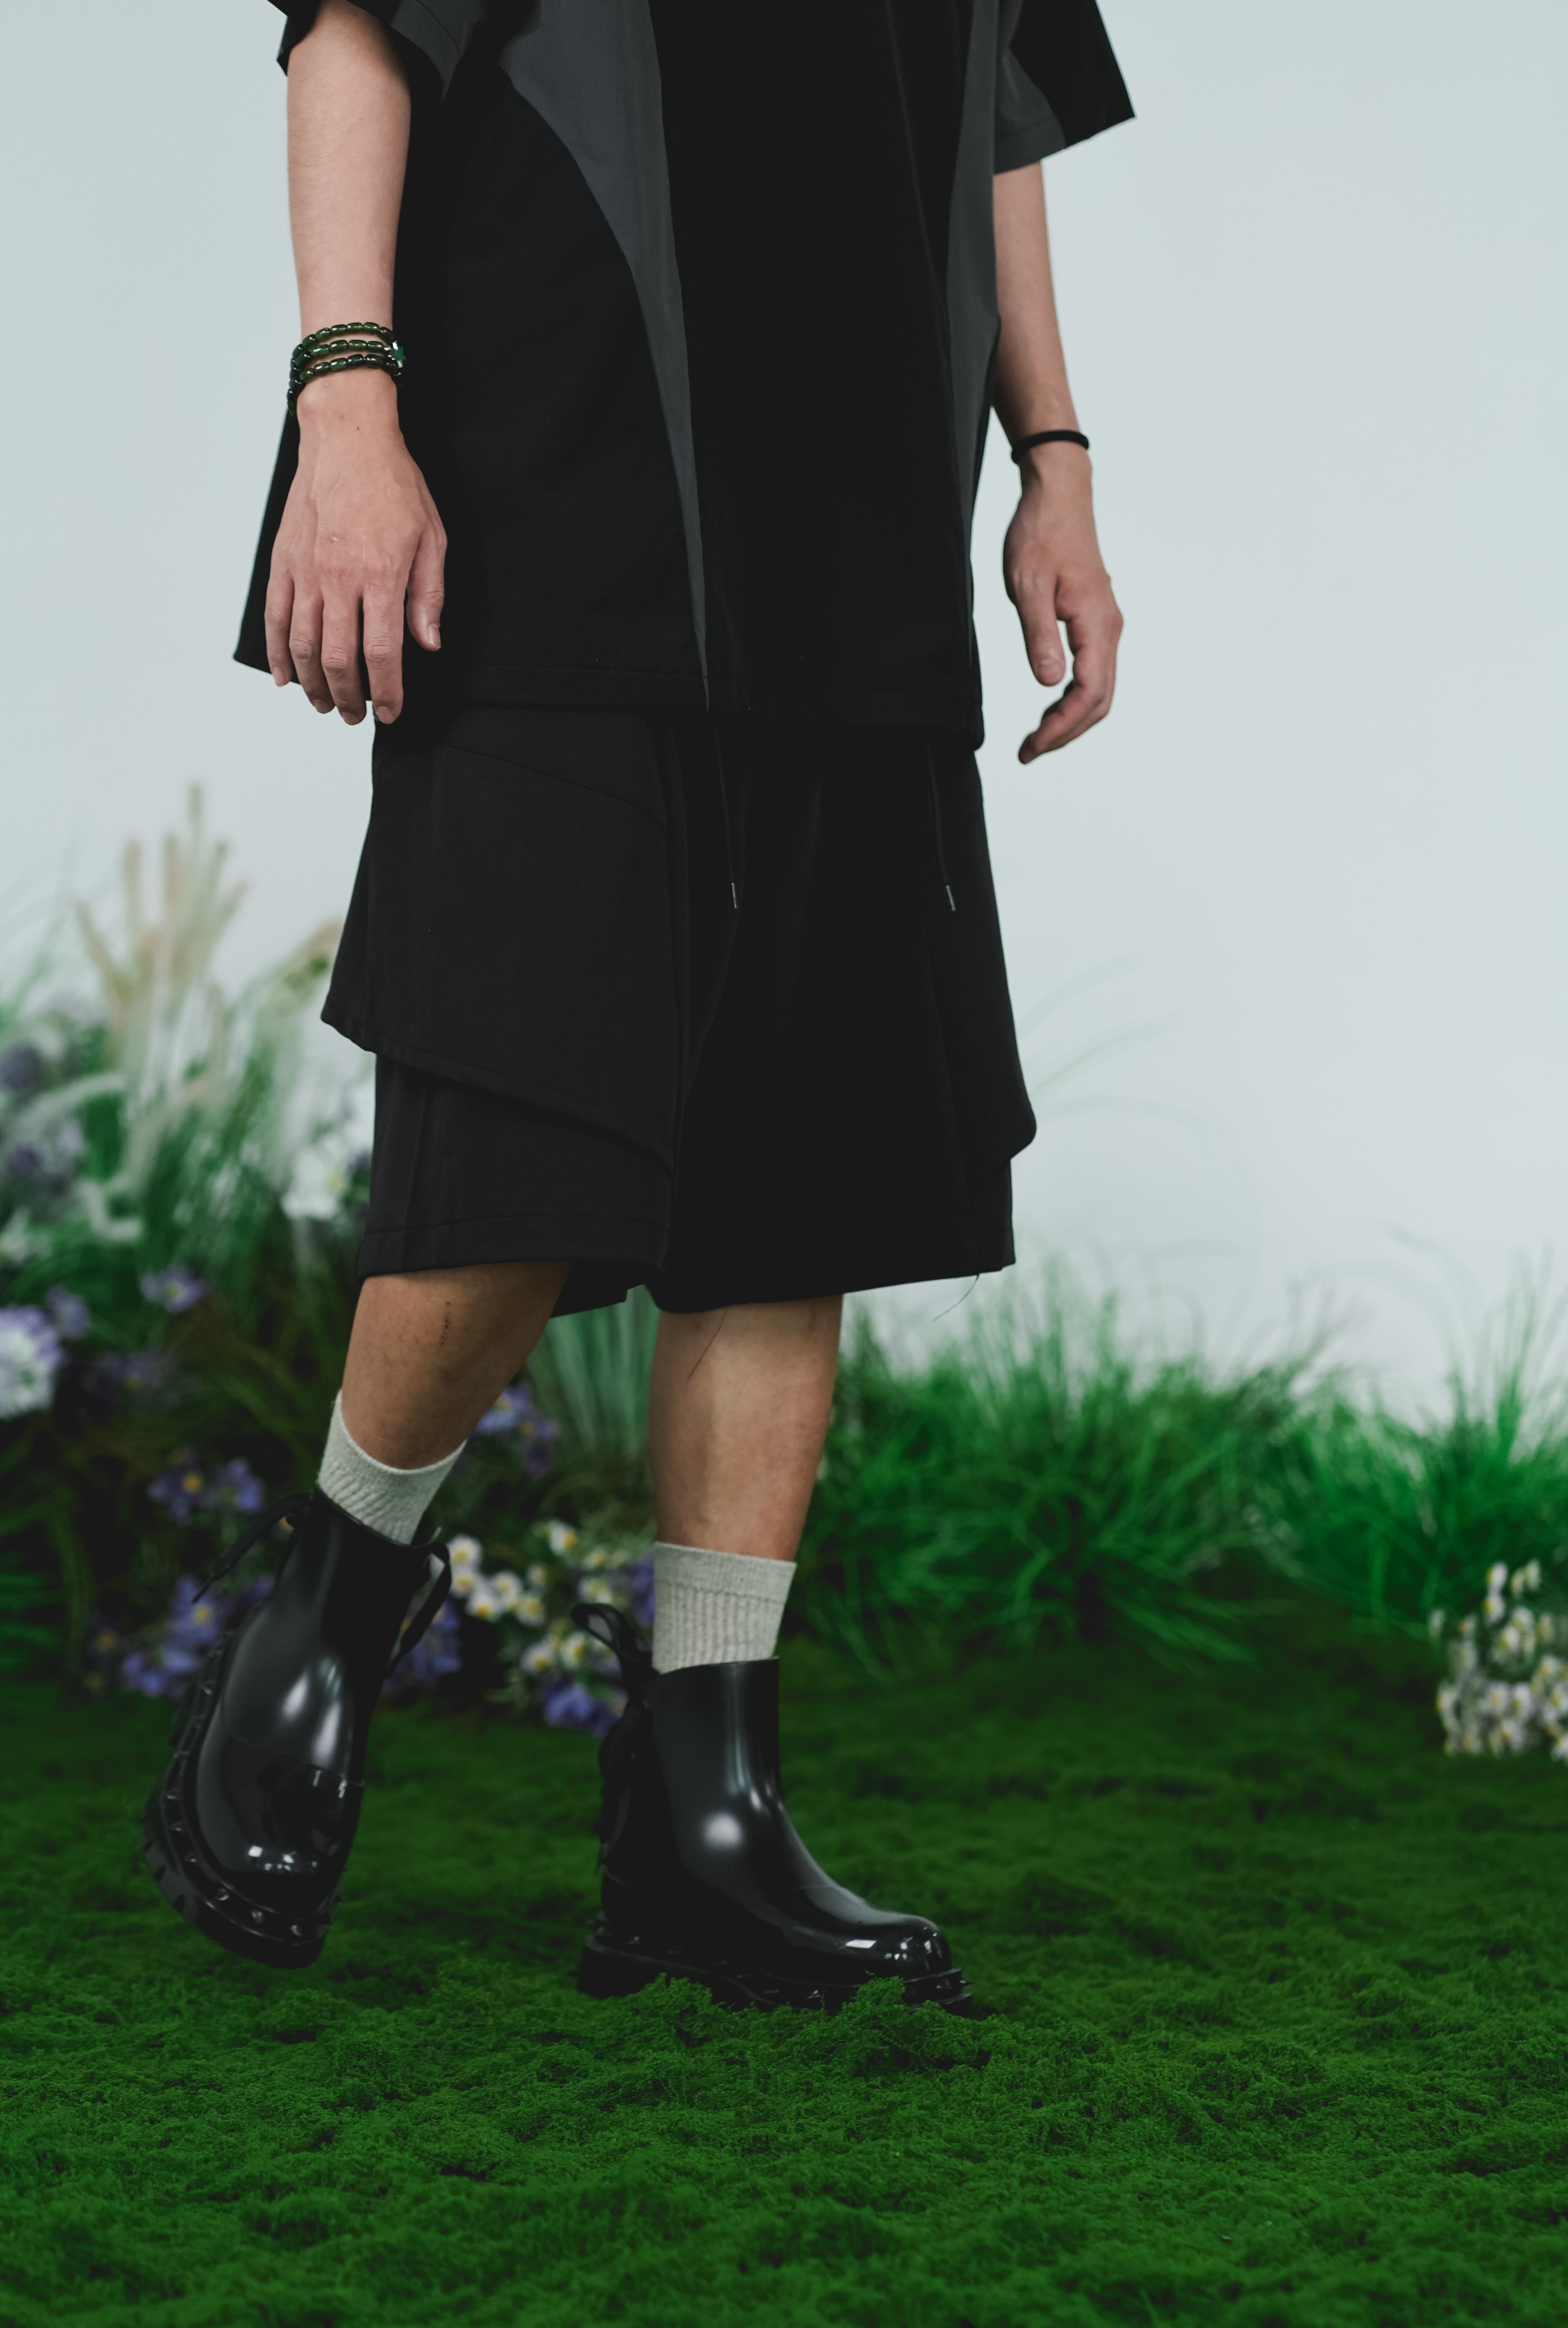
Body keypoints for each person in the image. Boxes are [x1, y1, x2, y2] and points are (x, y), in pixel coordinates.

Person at [143, 0, 1130, 2009]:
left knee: (796, 1176)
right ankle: (319, 1622)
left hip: (860, 522)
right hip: (559, 477)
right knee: (523, 1133)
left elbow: (996, 113)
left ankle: (704, 1806)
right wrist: (345, 404)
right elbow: (355, 34)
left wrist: (1053, 458)